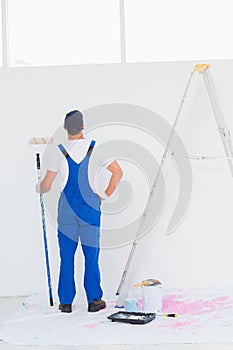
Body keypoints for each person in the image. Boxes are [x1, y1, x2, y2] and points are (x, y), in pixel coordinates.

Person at [36, 110, 123, 313]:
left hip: (66, 210)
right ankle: (94, 300)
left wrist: (38, 187)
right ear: (83, 127)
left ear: (65, 128)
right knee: (90, 255)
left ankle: (65, 302)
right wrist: (106, 194)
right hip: (90, 209)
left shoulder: (57, 151)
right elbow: (118, 171)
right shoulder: (96, 148)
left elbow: (47, 185)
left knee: (67, 256)